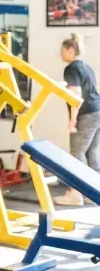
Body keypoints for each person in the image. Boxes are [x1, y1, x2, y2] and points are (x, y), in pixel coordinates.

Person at [55, 33, 100, 206]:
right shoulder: (86, 67)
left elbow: (76, 95)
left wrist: (72, 120)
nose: (61, 54)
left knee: (77, 152)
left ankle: (76, 193)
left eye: (63, 50)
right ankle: (94, 193)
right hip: (97, 110)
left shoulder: (72, 68)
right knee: (91, 153)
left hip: (87, 113)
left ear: (71, 50)